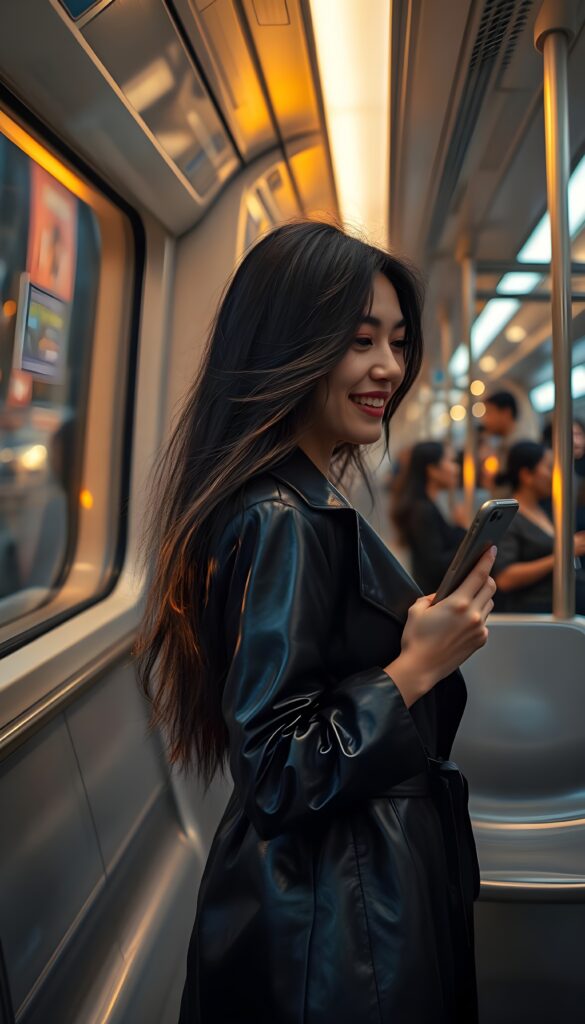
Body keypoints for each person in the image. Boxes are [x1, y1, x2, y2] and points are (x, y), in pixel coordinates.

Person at [136, 221, 497, 1024]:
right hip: (340, 914)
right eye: (359, 340)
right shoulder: (282, 517)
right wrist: (416, 668)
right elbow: (276, 768)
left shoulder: (295, 500)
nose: (389, 369)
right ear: (290, 344)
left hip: (333, 889)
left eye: (398, 343)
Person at [492, 441, 585, 613]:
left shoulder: (545, 509)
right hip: (536, 614)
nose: (554, 475)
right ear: (527, 475)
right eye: (549, 468)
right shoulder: (510, 518)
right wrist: (564, 554)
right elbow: (505, 578)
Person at [391, 440, 467, 593]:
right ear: (432, 470)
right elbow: (437, 566)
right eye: (451, 461)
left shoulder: (426, 505)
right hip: (431, 597)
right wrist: (461, 527)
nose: (456, 469)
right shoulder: (422, 510)